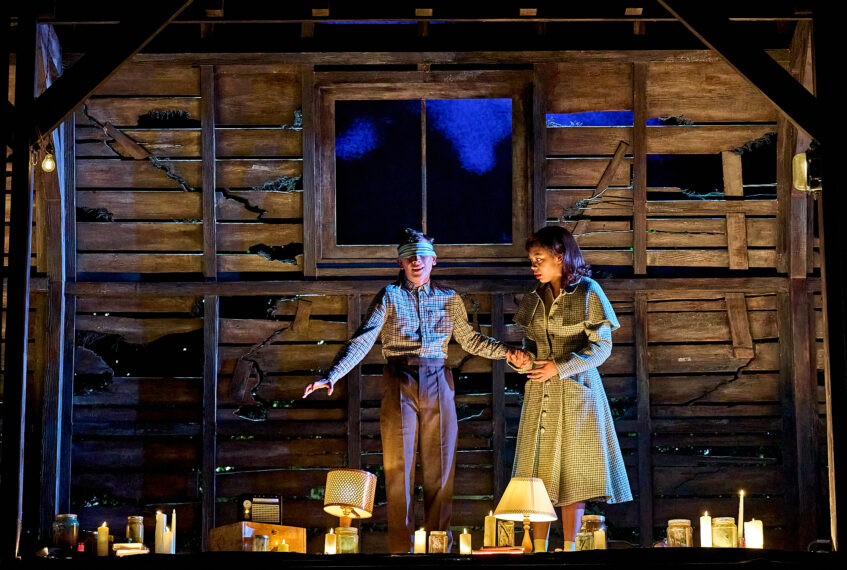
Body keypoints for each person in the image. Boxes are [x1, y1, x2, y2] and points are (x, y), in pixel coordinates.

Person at [304, 228, 528, 553]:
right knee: (398, 470)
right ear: (400, 262)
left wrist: (508, 352)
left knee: (441, 468)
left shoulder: (449, 298)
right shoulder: (390, 296)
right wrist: (333, 374)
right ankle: (401, 550)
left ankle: (439, 547)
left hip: (438, 379)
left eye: (421, 255)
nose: (416, 261)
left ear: (433, 260)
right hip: (399, 380)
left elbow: (470, 339)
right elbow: (364, 338)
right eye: (409, 256)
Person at [509, 226, 632, 552]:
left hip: (578, 392)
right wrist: (523, 360)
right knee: (539, 473)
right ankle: (535, 550)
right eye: (531, 260)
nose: (534, 266)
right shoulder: (534, 298)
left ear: (561, 256)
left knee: (572, 473)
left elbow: (602, 348)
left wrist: (560, 367)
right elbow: (529, 345)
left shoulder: (588, 291)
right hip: (540, 393)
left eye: (540, 259)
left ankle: (569, 550)